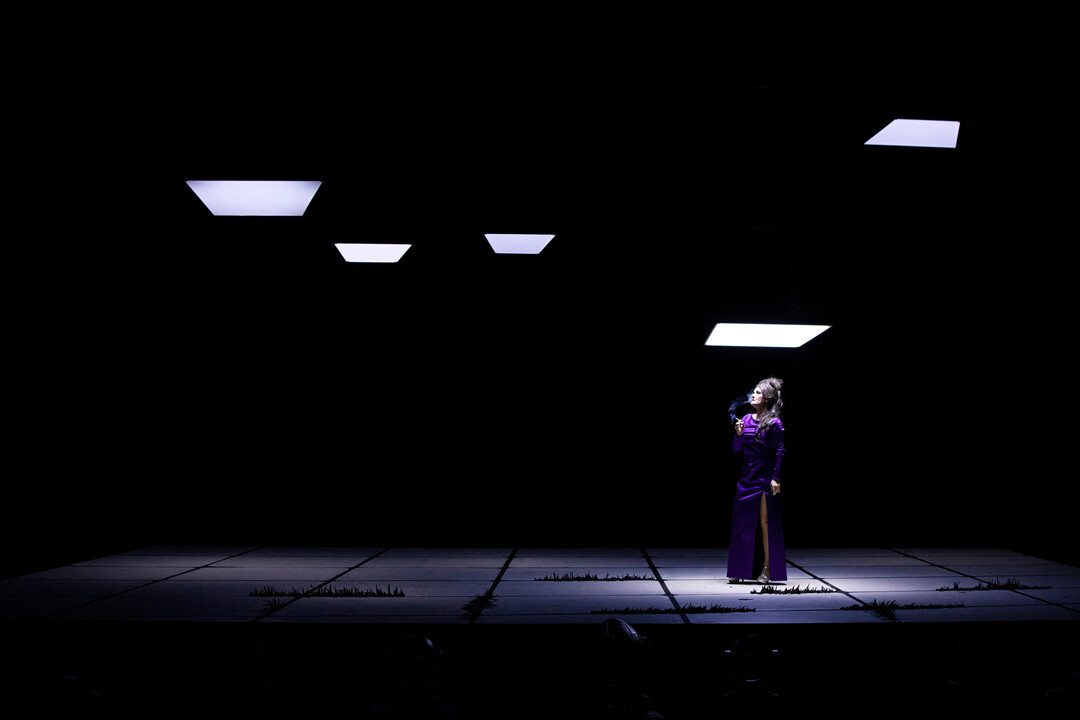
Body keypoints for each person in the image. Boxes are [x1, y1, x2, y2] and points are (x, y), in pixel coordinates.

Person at [727, 377, 787, 584]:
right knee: (741, 523)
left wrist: (776, 477)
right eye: (753, 392)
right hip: (746, 478)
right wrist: (738, 435)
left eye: (758, 392)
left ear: (767, 398)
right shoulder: (746, 418)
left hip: (764, 478)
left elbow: (781, 451)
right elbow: (736, 448)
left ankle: (767, 568)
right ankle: (738, 569)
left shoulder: (774, 423)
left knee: (764, 524)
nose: (753, 395)